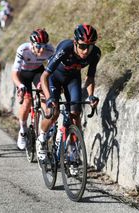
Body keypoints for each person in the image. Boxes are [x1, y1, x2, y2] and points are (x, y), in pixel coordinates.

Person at [36, 24, 101, 160]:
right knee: (54, 112)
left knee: (75, 114)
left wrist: (91, 95)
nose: (86, 51)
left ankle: (73, 150)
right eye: (82, 46)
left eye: (90, 46)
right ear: (75, 42)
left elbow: (90, 78)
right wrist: (49, 99)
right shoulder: (65, 48)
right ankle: (41, 138)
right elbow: (44, 76)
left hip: (73, 79)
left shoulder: (95, 53)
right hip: (54, 77)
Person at [11, 29, 54, 150]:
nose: (42, 50)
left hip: (37, 72)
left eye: (44, 46)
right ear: (32, 44)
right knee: (27, 101)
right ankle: (23, 130)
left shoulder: (50, 50)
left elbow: (52, 71)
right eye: (38, 46)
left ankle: (46, 124)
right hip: (23, 74)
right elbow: (14, 73)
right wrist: (20, 85)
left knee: (44, 94)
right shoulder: (23, 49)